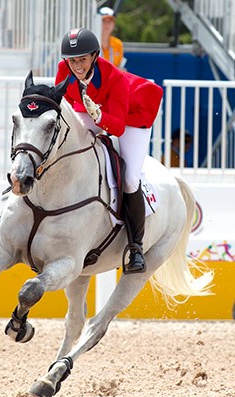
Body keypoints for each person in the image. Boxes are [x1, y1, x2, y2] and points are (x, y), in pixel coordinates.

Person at [55, 28, 163, 274]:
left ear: (94, 55)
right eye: (73, 60)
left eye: (82, 59)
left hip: (131, 119)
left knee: (129, 179)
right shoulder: (64, 69)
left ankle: (135, 247)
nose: (77, 66)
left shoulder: (113, 77)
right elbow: (62, 102)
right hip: (91, 111)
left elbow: (116, 127)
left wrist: (99, 116)